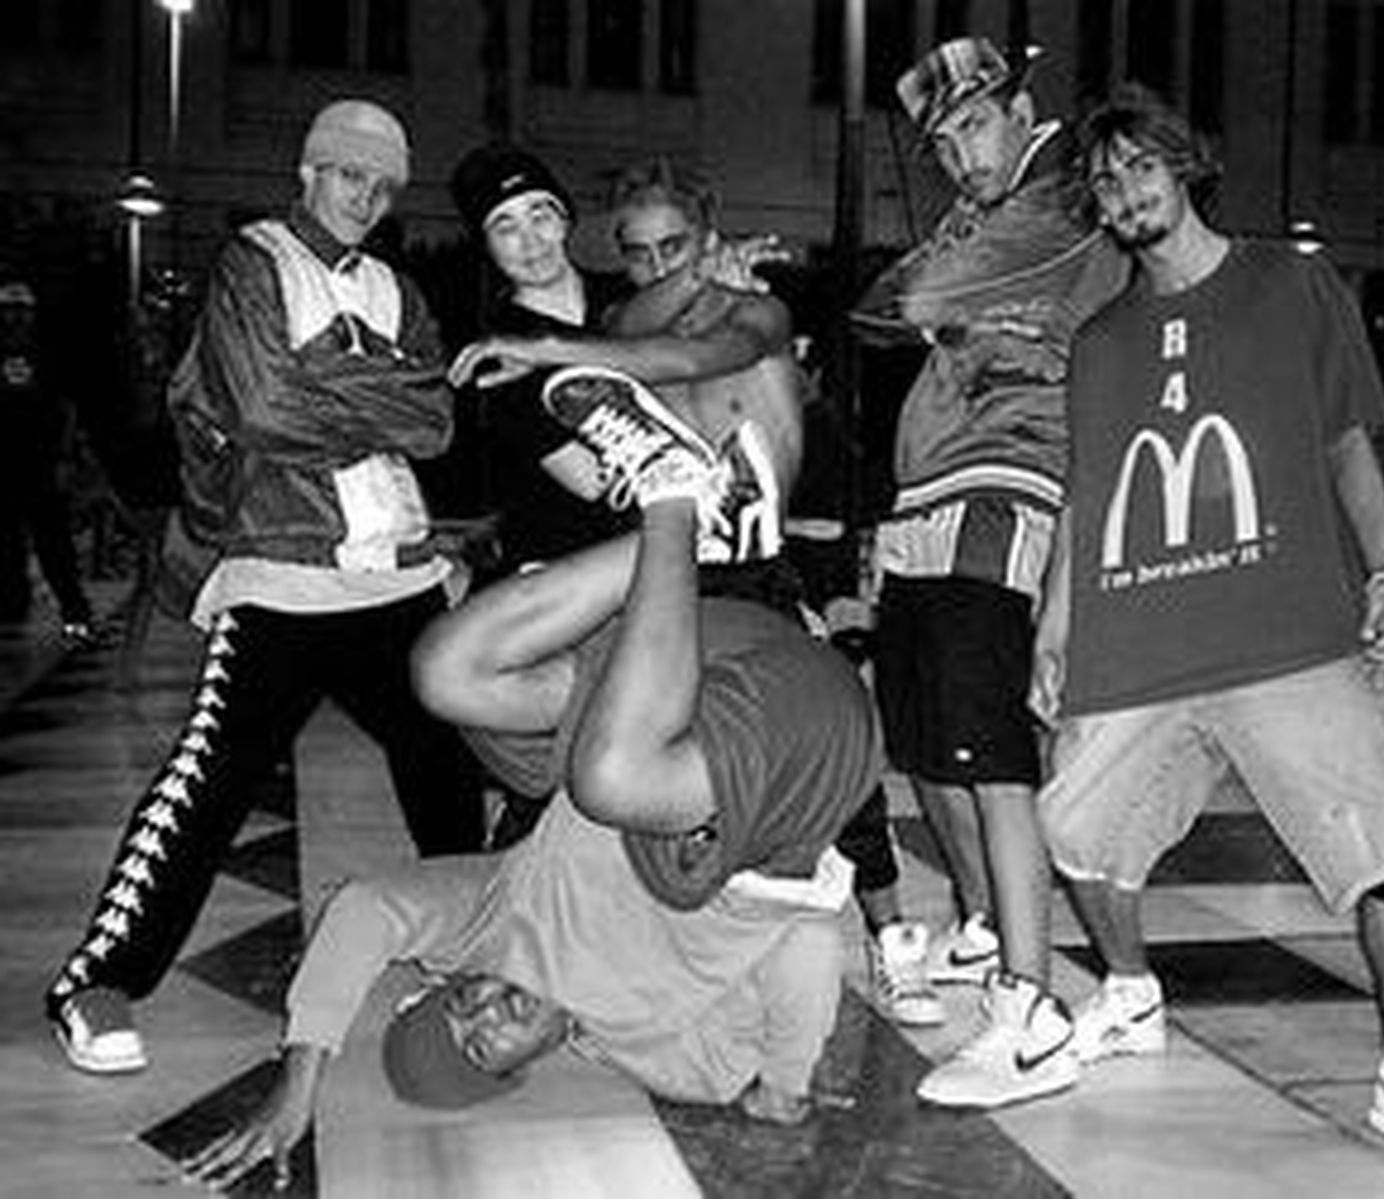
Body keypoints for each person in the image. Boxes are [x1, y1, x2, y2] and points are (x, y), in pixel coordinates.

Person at [181, 365, 881, 1191]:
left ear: (443, 981)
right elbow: (803, 941)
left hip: (715, 653)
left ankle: (704, 523)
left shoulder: (492, 920)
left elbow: (364, 909)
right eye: (484, 1046)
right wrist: (787, 1086)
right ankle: (670, 502)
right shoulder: (646, 1041)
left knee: (446, 673)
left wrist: (298, 1084)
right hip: (797, 754)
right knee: (607, 783)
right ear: (523, 1067)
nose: (486, 1011)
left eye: (458, 1006)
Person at [1028, 84, 1384, 1177]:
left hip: (1289, 632)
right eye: (1105, 182)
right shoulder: (1099, 341)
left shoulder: (1290, 283)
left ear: (1184, 164)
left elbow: (1346, 439)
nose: (1125, 192)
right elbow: (1086, 494)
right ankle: (1128, 991)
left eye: (1141, 165)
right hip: (1142, 637)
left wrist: (1383, 569)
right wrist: (1056, 621)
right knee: (1074, 832)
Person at [44, 99, 487, 1077]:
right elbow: (262, 406)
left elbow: (434, 421)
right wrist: (369, 388)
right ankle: (97, 978)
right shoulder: (253, 263)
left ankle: (465, 950)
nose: (365, 197)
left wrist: (328, 376)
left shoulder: (397, 288)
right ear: (309, 170)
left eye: (382, 184)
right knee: (211, 780)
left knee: (445, 764)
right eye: (349, 175)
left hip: (394, 570)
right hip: (281, 567)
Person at [451, 160, 942, 1025]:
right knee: (568, 768)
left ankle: (892, 933)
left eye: (671, 248)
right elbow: (638, 349)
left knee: (833, 742)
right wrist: (679, 281)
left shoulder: (727, 312)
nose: (651, 266)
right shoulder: (586, 335)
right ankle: (499, 944)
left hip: (740, 564)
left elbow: (695, 349)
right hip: (630, 571)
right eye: (637, 253)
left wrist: (694, 280)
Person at [851, 37, 1128, 1105]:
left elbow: (901, 305)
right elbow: (892, 316)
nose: (959, 153)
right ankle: (985, 930)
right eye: (942, 141)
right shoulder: (989, 216)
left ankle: (1032, 1012)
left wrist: (953, 263)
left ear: (1021, 110)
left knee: (993, 749)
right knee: (929, 737)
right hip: (932, 485)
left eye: (974, 124)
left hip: (1009, 478)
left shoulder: (1064, 200)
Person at [445, 141, 634, 573]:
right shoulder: (497, 355)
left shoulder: (624, 300)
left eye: (540, 215)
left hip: (660, 546)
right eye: (505, 227)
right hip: (562, 564)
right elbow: (593, 482)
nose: (530, 242)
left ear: (565, 220)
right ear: (486, 246)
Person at [0, 275, 95, 640]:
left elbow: (66, 407)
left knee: (53, 541)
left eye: (20, 310)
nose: (14, 318)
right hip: (8, 460)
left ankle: (74, 610)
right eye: (8, 310)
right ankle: (12, 606)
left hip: (40, 461)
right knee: (9, 541)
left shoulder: (48, 354)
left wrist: (66, 456)